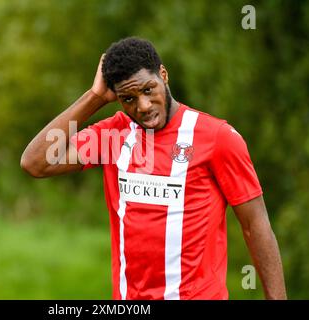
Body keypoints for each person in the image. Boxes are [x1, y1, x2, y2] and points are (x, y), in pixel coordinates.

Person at [20, 37, 287, 300]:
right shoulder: (115, 135)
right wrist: (95, 97)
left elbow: (255, 224)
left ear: (163, 75)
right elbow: (36, 162)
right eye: (128, 98)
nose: (143, 106)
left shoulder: (217, 137)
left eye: (148, 90)